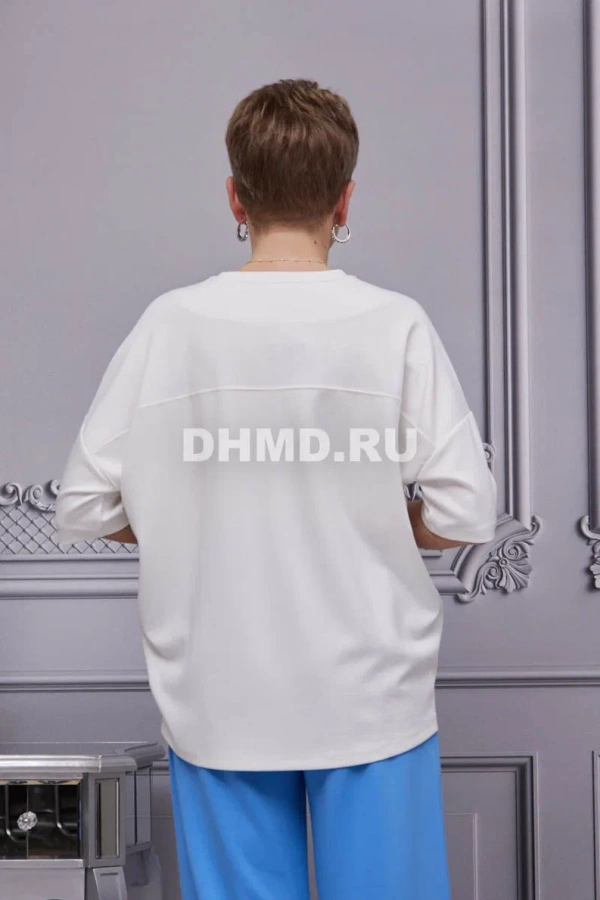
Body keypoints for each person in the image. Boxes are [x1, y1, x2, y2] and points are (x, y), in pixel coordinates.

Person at [55, 77, 497, 900]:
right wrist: (373, 513)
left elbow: (83, 505)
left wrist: (196, 513)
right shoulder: (393, 324)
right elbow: (466, 513)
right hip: (372, 695)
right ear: (345, 198)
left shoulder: (169, 326)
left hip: (219, 696)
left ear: (236, 195)